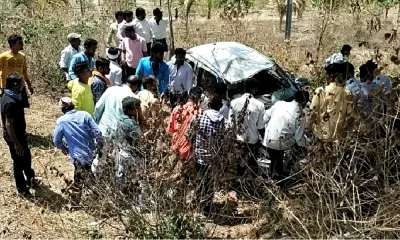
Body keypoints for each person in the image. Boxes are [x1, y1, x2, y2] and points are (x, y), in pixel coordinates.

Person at [53, 97, 103, 205]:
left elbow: (56, 141)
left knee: (80, 179)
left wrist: (64, 148)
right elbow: (98, 132)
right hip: (92, 153)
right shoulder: (85, 115)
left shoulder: (61, 121)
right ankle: (98, 198)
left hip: (78, 156)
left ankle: (76, 203)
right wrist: (99, 148)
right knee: (88, 176)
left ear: (62, 110)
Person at [1, 73, 35, 198]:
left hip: (19, 134)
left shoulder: (10, 95)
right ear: (15, 85)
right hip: (14, 136)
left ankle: (30, 179)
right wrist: (16, 144)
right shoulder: (11, 102)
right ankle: (22, 189)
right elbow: (9, 125)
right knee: (18, 162)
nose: (23, 85)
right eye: (21, 83)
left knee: (26, 156)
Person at [263, 90, 309, 179]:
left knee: (275, 158)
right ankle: (282, 174)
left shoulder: (279, 104)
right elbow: (299, 138)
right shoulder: (300, 115)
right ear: (303, 102)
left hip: (268, 138)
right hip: (282, 143)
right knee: (296, 145)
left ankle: (274, 174)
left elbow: (265, 117)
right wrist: (307, 147)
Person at [193, 95, 225, 213]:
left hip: (198, 155)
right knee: (209, 182)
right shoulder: (223, 121)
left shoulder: (199, 117)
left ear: (209, 105)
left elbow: (188, 134)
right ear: (220, 107)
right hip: (213, 157)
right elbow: (225, 139)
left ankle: (198, 204)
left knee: (199, 180)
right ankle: (207, 207)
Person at [228, 78, 265, 176]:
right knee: (253, 164)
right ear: (254, 90)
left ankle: (239, 183)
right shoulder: (260, 105)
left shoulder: (234, 102)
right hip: (252, 140)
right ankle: (253, 185)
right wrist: (264, 140)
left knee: (239, 164)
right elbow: (261, 126)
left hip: (238, 139)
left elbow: (231, 123)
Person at [309, 63, 354, 142]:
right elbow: (351, 116)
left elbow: (312, 112)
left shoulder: (320, 91)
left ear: (331, 76)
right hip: (339, 137)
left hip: (322, 135)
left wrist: (309, 127)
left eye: (326, 75)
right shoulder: (348, 93)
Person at [168, 87, 203, 163]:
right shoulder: (199, 112)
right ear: (198, 98)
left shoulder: (177, 109)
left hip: (175, 144)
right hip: (187, 148)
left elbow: (170, 129)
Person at [0, 34, 34, 109]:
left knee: (19, 107)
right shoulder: (3, 56)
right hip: (6, 87)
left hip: (19, 86)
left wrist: (29, 86)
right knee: (7, 106)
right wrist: (1, 87)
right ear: (12, 44)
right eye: (19, 43)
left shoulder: (22, 56)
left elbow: (24, 72)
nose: (22, 44)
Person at [115, 96, 142, 187]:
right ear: (130, 110)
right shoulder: (131, 124)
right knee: (136, 180)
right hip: (131, 155)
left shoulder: (121, 119)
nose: (139, 110)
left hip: (122, 152)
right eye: (137, 108)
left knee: (122, 178)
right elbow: (140, 138)